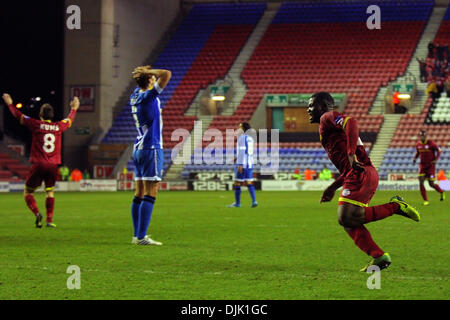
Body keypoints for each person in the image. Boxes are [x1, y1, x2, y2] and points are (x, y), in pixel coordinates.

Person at [307, 92, 421, 272]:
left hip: (361, 173)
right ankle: (379, 256)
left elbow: (351, 121)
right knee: (347, 221)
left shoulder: (327, 118)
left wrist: (351, 153)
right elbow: (346, 166)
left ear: (322, 106)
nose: (308, 109)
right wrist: (332, 187)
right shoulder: (327, 127)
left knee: (347, 216)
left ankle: (396, 206)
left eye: (311, 105)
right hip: (357, 174)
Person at [2, 93, 79, 228]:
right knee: (49, 191)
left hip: (38, 164)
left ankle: (37, 213)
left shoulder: (36, 124)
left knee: (28, 192)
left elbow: (18, 116)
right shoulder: (58, 127)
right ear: (52, 115)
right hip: (53, 165)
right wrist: (74, 108)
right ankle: (49, 220)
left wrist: (9, 104)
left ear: (40, 114)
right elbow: (69, 120)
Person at [129, 65, 171, 245]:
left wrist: (144, 75)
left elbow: (142, 82)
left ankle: (136, 235)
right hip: (151, 148)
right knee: (151, 191)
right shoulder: (148, 96)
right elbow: (167, 74)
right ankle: (141, 237)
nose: (155, 79)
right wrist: (150, 71)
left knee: (139, 192)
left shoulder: (134, 96)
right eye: (152, 78)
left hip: (138, 148)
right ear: (149, 80)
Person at [227, 122, 258, 208]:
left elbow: (242, 151)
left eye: (240, 127)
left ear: (243, 129)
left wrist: (240, 163)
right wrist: (236, 158)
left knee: (237, 183)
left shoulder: (242, 138)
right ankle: (254, 201)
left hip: (242, 164)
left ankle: (237, 203)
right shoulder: (250, 138)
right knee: (249, 182)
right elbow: (248, 152)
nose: (238, 129)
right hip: (249, 164)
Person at [413, 130, 445, 205]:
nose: (422, 137)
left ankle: (441, 192)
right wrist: (415, 158)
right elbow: (418, 152)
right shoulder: (418, 144)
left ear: (426, 136)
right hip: (422, 166)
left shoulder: (431, 143)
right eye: (421, 136)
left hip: (430, 166)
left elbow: (439, 150)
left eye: (423, 136)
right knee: (421, 181)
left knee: (431, 184)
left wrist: (436, 159)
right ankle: (426, 201)